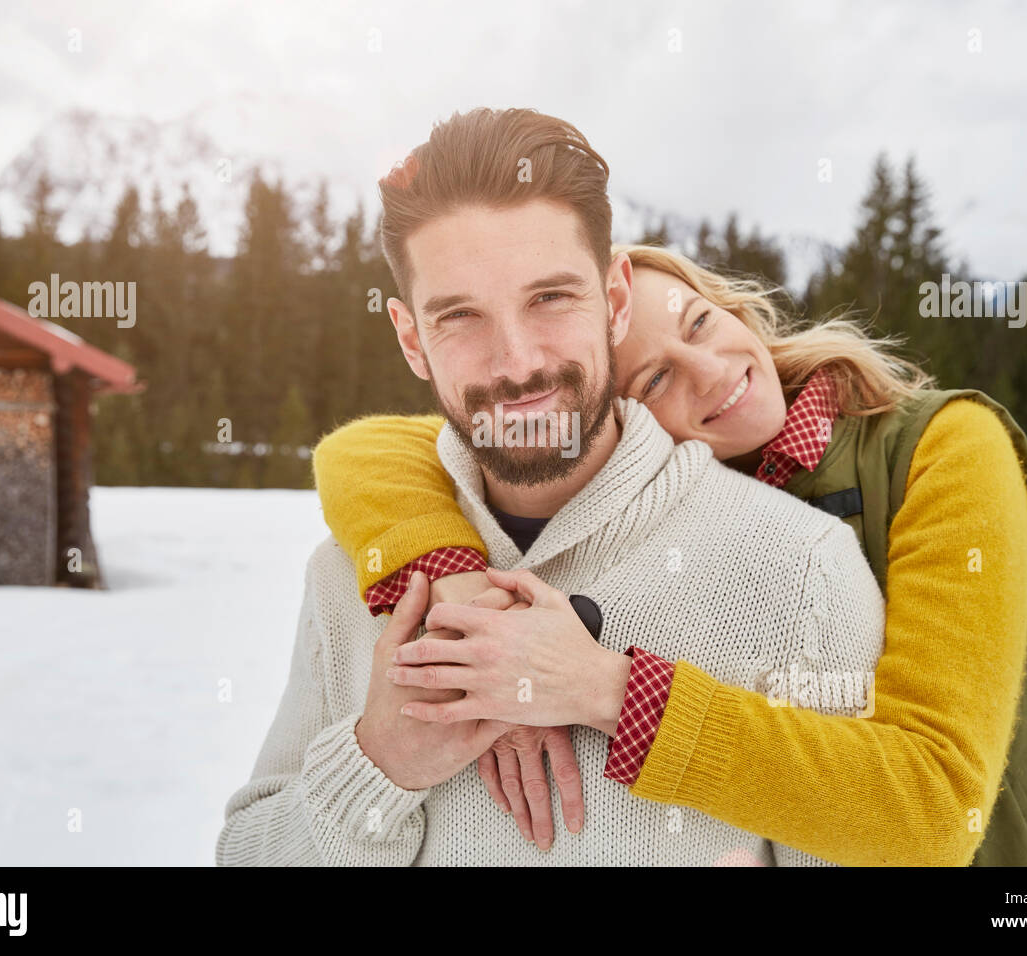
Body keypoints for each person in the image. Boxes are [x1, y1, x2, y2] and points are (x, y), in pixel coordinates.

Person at [311, 171, 1027, 867]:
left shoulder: (944, 447)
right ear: (610, 419)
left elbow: (934, 803)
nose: (710, 371)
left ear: (730, 306)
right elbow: (376, 450)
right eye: (654, 380)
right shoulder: (673, 497)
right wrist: (453, 585)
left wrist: (606, 691)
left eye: (698, 324)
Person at [215, 107, 887, 866]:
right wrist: (379, 764)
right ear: (412, 339)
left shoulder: (801, 570)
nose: (516, 363)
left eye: (551, 298)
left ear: (617, 298)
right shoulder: (348, 578)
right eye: (460, 315)